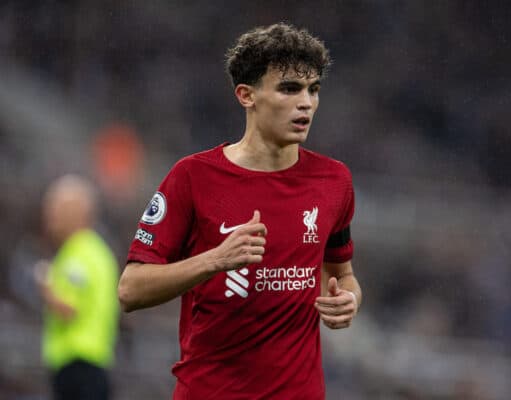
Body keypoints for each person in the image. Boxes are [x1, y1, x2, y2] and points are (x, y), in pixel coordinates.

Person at [118, 22, 362, 400]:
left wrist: (349, 299)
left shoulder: (335, 181)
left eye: (313, 90)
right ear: (246, 95)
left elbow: (342, 273)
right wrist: (214, 260)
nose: (306, 103)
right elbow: (130, 290)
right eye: (289, 88)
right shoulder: (193, 177)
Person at [35, 175, 119, 400]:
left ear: (80, 211)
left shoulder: (79, 254)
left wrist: (45, 286)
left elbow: (69, 309)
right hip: (89, 364)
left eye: (57, 207)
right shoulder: (93, 251)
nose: (50, 215)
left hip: (79, 364)